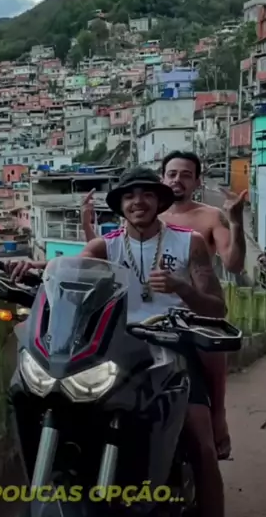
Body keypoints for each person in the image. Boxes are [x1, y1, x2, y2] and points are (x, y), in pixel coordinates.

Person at [10, 168, 256, 517]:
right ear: (120, 205)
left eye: (147, 194)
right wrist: (30, 267)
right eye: (129, 196)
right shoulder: (105, 246)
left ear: (159, 202)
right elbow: (62, 270)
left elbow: (217, 308)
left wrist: (182, 289)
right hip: (116, 350)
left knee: (202, 445)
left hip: (174, 349)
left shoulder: (189, 244)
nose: (138, 201)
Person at [81, 151, 248, 461]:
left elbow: (231, 270)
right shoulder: (113, 238)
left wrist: (236, 222)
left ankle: (218, 416)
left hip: (181, 332)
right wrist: (30, 267)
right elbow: (78, 265)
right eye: (172, 174)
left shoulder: (201, 227)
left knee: (202, 436)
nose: (138, 202)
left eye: (185, 175)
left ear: (196, 181)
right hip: (122, 343)